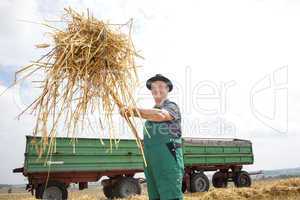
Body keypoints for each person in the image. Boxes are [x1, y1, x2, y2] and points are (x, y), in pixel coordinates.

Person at [121, 74, 184, 200]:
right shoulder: (148, 117)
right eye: (153, 87)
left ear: (167, 89)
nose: (157, 89)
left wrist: (134, 111)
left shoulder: (171, 107)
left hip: (168, 162)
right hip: (152, 164)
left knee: (171, 196)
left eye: (161, 86)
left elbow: (160, 115)